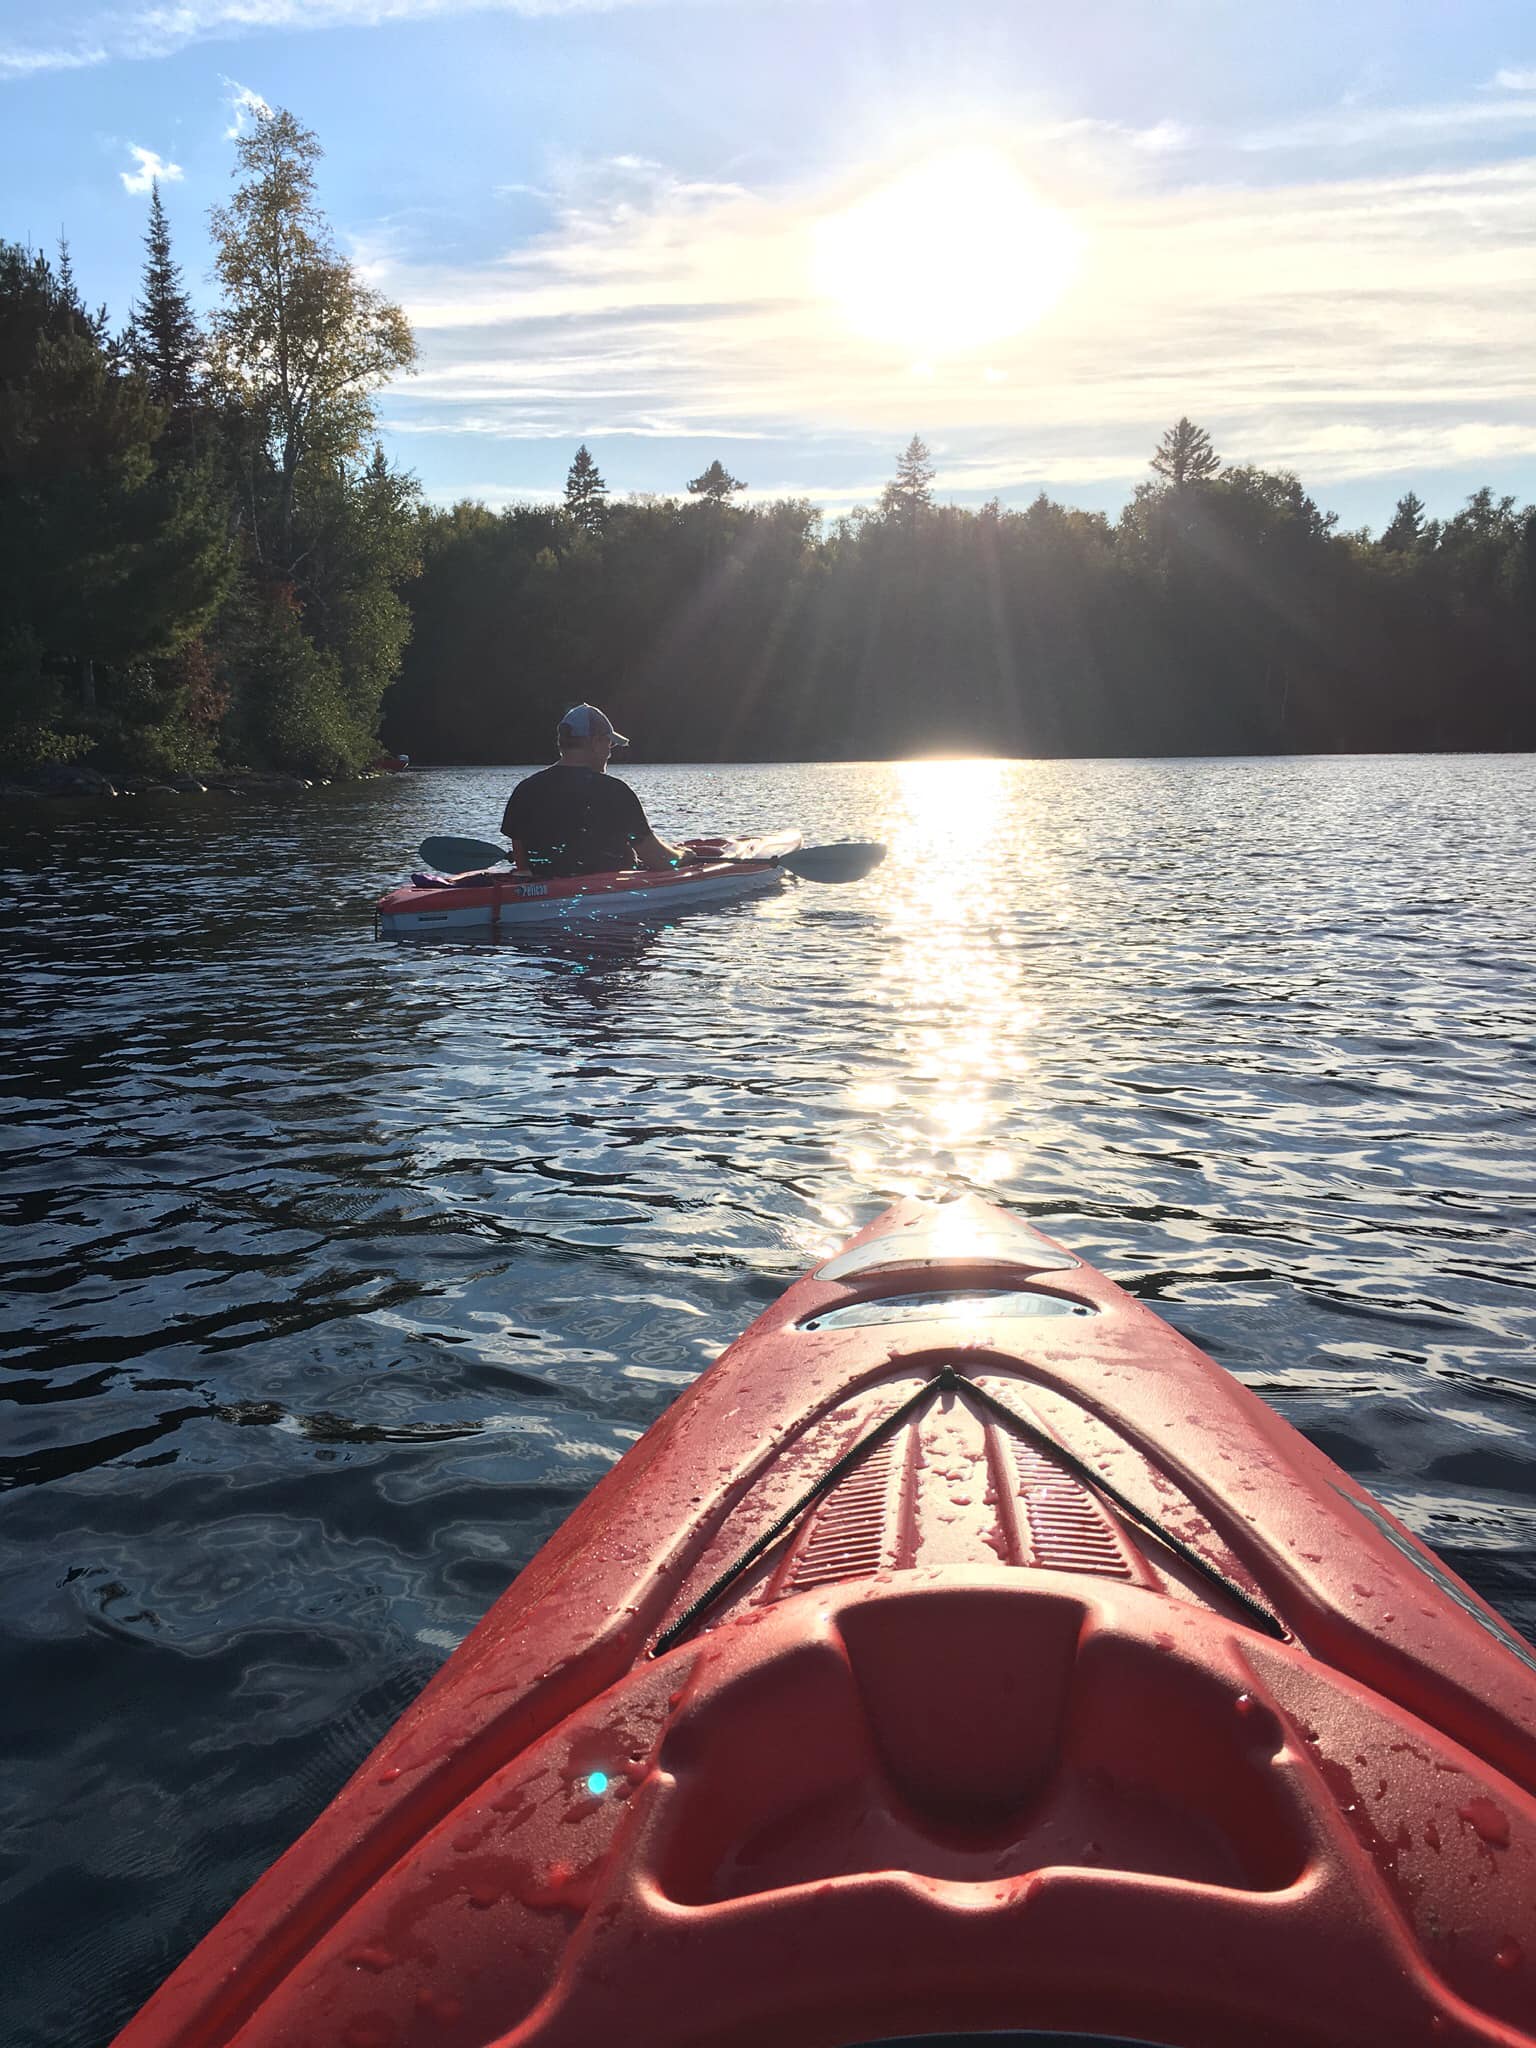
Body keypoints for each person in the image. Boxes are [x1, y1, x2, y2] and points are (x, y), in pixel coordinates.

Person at [500, 704, 690, 876]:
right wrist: (683, 856)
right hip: (609, 897)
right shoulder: (616, 792)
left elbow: (521, 863)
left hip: (540, 892)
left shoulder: (525, 790)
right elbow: (659, 861)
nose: (609, 752)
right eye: (609, 744)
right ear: (596, 743)